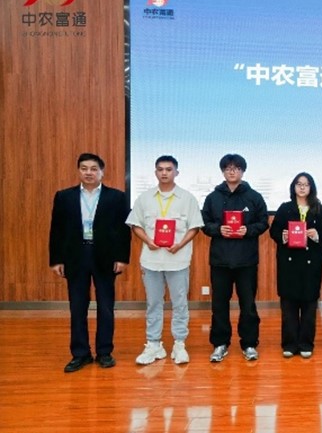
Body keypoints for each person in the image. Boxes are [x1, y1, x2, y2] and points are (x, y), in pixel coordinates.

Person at [49, 153, 131, 372]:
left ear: (101, 172)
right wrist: (56, 259)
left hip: (105, 256)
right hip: (75, 256)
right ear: (79, 171)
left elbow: (123, 230)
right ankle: (80, 353)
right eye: (84, 168)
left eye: (94, 169)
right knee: (77, 307)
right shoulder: (64, 196)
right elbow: (56, 229)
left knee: (106, 306)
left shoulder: (116, 197)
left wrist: (122, 258)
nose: (89, 172)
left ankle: (104, 352)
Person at [126, 155, 204, 365]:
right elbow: (135, 225)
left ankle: (179, 344)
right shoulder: (144, 198)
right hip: (151, 260)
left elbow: (194, 227)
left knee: (180, 303)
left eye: (169, 169)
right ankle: (154, 344)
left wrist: (180, 244)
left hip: (178, 260)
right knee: (153, 303)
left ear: (176, 172)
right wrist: (148, 241)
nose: (164, 173)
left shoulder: (187, 198)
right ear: (155, 172)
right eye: (160, 169)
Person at [201, 154, 269, 362]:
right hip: (220, 260)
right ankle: (220, 344)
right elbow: (204, 223)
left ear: (243, 171)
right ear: (223, 171)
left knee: (248, 305)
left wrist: (247, 230)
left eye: (236, 168)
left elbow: (263, 223)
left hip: (246, 260)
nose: (232, 172)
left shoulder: (254, 197)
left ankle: (249, 344)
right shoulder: (213, 197)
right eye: (228, 168)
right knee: (219, 304)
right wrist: (217, 229)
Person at [270, 172, 322, 358]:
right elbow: (274, 231)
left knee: (309, 306)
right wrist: (283, 236)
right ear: (293, 187)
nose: (302, 187)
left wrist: (316, 234)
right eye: (299, 184)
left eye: (306, 184)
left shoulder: (318, 209)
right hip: (289, 264)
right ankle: (289, 344)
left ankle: (306, 343)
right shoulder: (285, 208)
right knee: (288, 305)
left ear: (311, 188)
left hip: (311, 264)